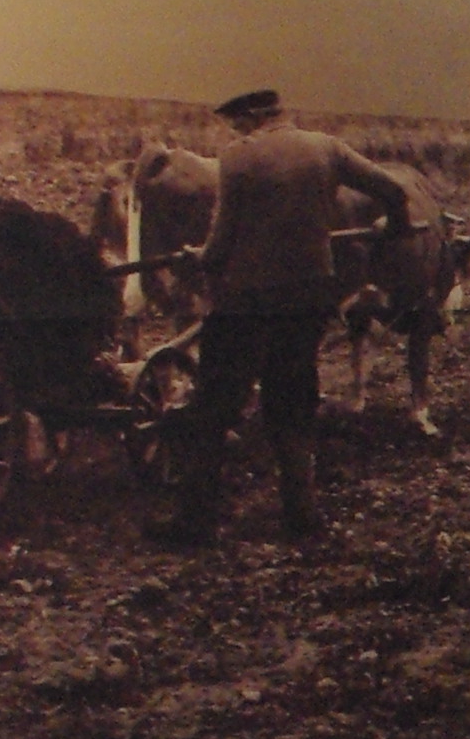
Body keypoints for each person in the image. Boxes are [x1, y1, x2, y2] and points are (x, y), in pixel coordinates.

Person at [153, 88, 411, 545]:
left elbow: (221, 244)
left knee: (214, 408)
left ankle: (195, 522)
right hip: (308, 299)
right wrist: (396, 227)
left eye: (238, 124)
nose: (236, 132)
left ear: (254, 118)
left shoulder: (238, 158)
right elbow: (393, 191)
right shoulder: (327, 148)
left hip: (245, 302)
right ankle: (301, 516)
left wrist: (196, 258)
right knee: (292, 401)